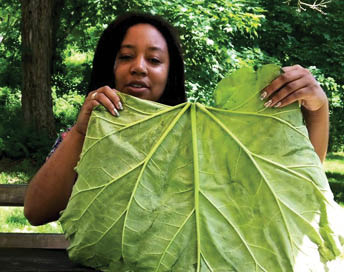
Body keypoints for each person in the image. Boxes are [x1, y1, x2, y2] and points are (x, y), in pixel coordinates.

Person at [24, 12, 329, 226]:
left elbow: (295, 187)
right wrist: (80, 132)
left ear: (170, 74)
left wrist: (317, 108)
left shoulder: (200, 138)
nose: (139, 67)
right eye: (126, 56)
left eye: (154, 59)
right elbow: (36, 212)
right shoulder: (83, 133)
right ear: (109, 65)